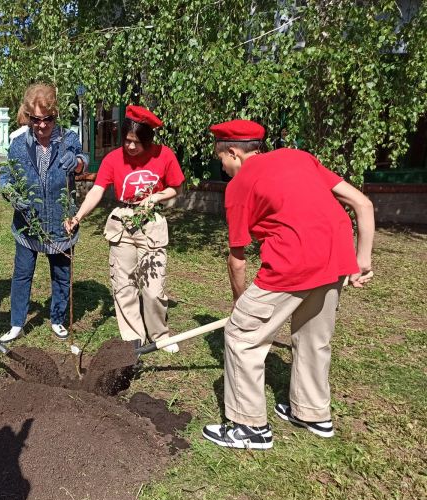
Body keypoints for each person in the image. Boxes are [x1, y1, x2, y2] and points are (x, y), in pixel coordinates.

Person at [201, 119, 374, 450]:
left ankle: (249, 428)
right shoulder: (298, 156)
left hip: (292, 263)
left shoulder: (239, 185)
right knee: (313, 336)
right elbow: (362, 204)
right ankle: (312, 413)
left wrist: (241, 304)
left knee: (241, 336)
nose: (222, 166)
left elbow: (237, 259)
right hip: (337, 257)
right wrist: (362, 260)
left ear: (233, 152)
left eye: (220, 159)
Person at [65, 105, 184, 352]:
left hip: (151, 222)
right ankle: (133, 336)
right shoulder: (113, 159)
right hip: (122, 222)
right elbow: (97, 189)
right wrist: (78, 216)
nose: (130, 147)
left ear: (148, 140)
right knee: (124, 284)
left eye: (136, 142)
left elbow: (176, 188)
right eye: (127, 140)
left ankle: (160, 335)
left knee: (152, 289)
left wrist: (156, 197)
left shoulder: (165, 155)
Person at [0, 83, 88, 343]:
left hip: (62, 221)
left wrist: (78, 162)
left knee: (62, 273)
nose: (41, 125)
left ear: (55, 115)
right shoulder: (18, 144)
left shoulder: (68, 138)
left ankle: (58, 318)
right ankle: (16, 323)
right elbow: (6, 177)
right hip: (29, 223)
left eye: (47, 119)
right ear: (28, 116)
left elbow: (83, 160)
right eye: (35, 119)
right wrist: (12, 195)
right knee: (23, 273)